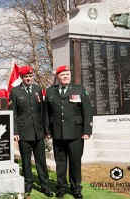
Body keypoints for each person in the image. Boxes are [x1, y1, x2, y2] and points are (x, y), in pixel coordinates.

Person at [44, 65, 93, 199]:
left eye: (67, 74)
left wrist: (87, 130)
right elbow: (47, 113)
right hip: (57, 133)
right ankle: (61, 187)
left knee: (75, 162)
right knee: (60, 162)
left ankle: (76, 188)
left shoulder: (79, 90)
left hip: (76, 133)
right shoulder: (50, 92)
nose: (65, 76)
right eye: (62, 75)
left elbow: (87, 112)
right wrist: (47, 130)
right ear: (57, 77)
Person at [9, 66, 53, 197]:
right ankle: (27, 186)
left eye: (30, 76)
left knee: (41, 161)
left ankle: (45, 187)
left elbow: (42, 111)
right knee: (26, 162)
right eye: (26, 77)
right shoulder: (15, 91)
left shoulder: (38, 90)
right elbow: (13, 113)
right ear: (22, 77)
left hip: (38, 132)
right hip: (23, 132)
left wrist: (46, 130)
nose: (28, 79)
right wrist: (15, 132)